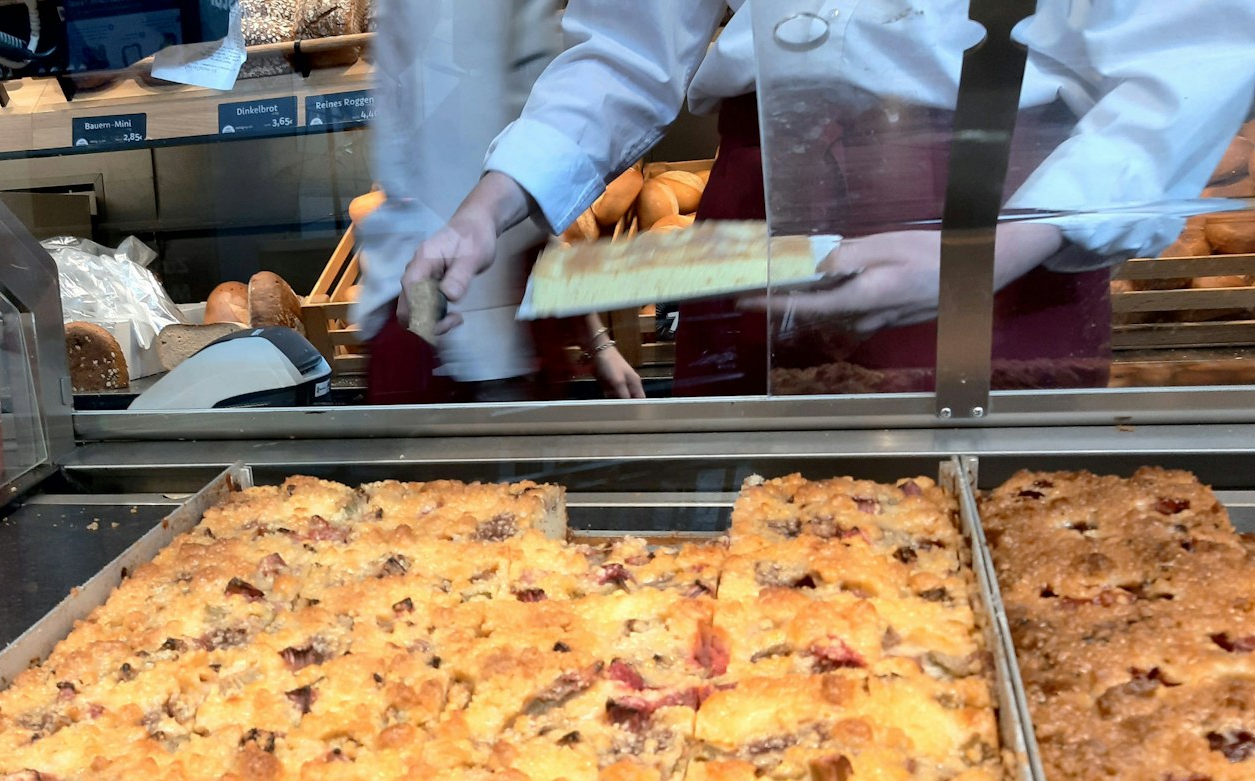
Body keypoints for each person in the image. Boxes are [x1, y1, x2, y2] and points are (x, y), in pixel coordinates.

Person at [403, 0, 1255, 395]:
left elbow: (1188, 61)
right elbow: (630, 48)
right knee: (749, 563)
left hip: (1015, 217)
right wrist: (491, 205)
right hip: (761, 195)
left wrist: (995, 248)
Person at [354, 0, 643, 402]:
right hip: (453, 329)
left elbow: (533, 148)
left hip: (485, 311)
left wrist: (593, 337)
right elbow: (435, 178)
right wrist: (473, 360)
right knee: (455, 462)